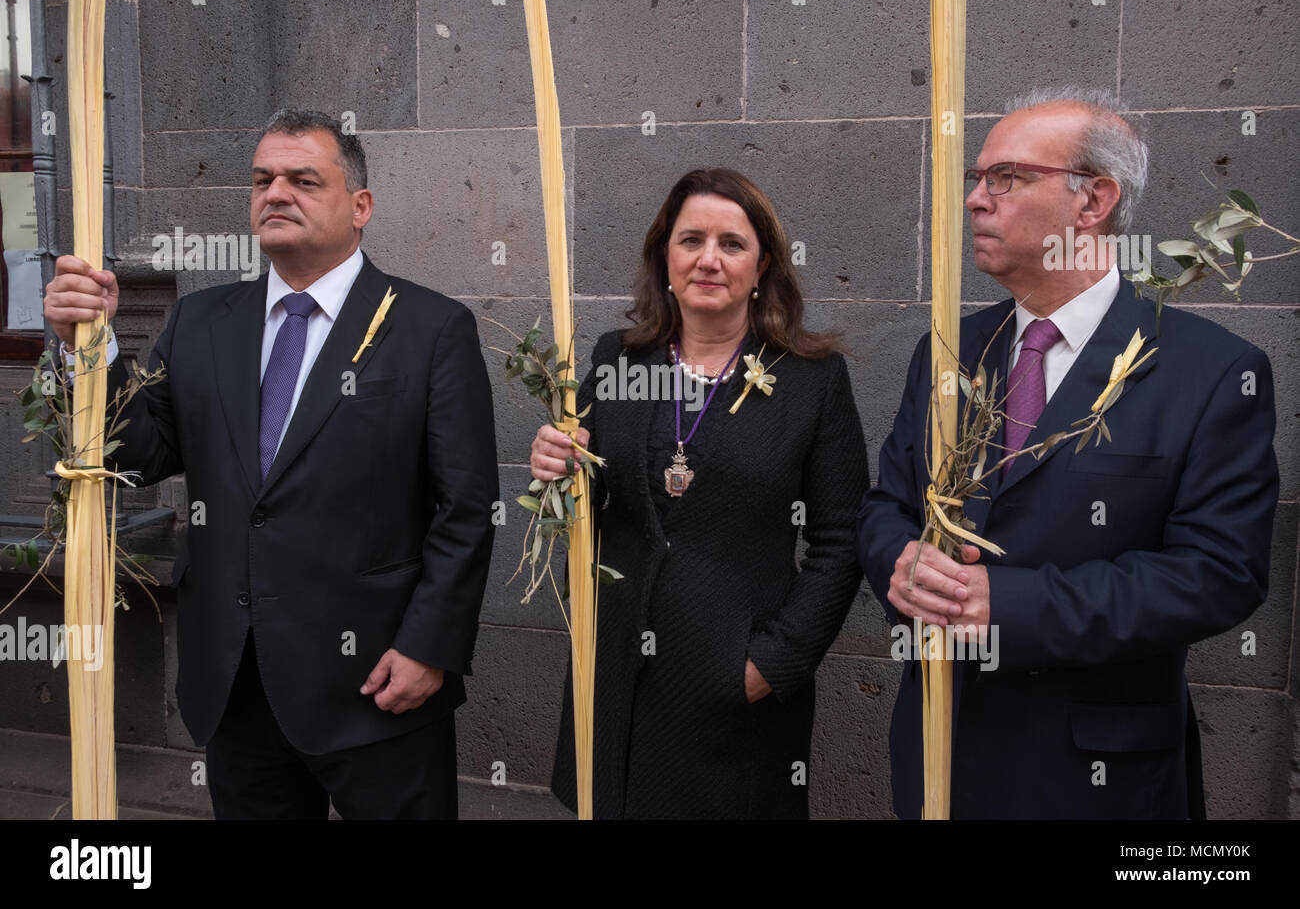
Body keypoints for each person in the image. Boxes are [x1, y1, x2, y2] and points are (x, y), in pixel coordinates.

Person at [43, 109, 499, 819]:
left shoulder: (429, 329)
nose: (275, 193)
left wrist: (428, 647)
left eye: (302, 179)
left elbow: (466, 507)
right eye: (262, 179)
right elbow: (132, 453)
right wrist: (88, 352)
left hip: (377, 682)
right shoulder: (201, 322)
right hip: (236, 681)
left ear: (360, 207)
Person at [857, 86, 1277, 819]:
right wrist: (901, 564)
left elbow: (1219, 573)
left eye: (1007, 178)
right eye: (974, 180)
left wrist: (1009, 606)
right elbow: (890, 504)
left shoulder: (1208, 373)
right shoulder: (950, 353)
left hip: (1099, 779)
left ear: (1094, 202)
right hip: (940, 759)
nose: (976, 201)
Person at [530, 167, 868, 818]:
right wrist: (558, 467)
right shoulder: (618, 360)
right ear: (665, 256)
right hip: (618, 682)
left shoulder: (809, 379)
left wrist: (773, 662)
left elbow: (841, 538)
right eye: (690, 240)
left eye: (731, 243)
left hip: (735, 692)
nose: (708, 259)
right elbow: (591, 500)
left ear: (763, 262)